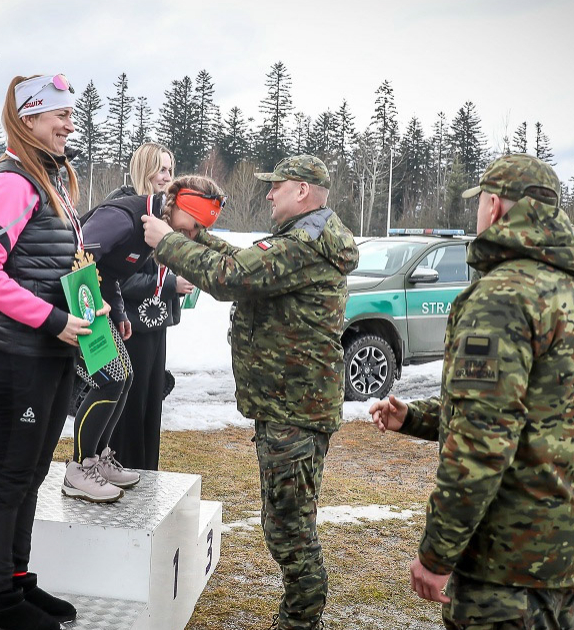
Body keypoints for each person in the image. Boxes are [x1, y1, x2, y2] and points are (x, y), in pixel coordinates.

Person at [369, 154, 574, 630]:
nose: (476, 212)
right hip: (563, 553)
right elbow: (535, 412)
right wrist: (414, 417)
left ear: (494, 206)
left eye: (479, 202)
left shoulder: (501, 296)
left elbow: (482, 443)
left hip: (506, 564)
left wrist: (436, 555)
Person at [143, 155, 358, 630]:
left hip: (294, 411)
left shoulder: (305, 243)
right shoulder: (304, 238)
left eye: (276, 186)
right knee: (285, 521)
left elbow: (232, 278)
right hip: (289, 405)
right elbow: (248, 262)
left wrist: (171, 243)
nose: (267, 193)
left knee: (289, 528)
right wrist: (200, 239)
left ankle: (301, 618)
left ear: (302, 191)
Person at [0, 73, 104, 630]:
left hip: (51, 354)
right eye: (59, 116)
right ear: (29, 120)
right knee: (8, 477)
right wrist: (54, 319)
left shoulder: (47, 177)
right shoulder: (12, 182)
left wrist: (89, 313)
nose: (70, 124)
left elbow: (52, 263)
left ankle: (18, 582)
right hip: (19, 356)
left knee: (34, 474)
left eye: (71, 116)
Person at [76, 168, 222, 479]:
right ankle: (80, 466)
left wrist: (118, 312)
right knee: (111, 378)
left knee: (124, 377)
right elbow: (77, 252)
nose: (193, 235)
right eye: (194, 225)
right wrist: (89, 301)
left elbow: (112, 273)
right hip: (71, 303)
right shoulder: (126, 217)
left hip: (96, 307)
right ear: (178, 208)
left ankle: (100, 458)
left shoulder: (152, 233)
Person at [104, 143, 196, 471]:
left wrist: (177, 277)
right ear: (145, 169)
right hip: (128, 326)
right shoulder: (123, 210)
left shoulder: (162, 215)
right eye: (161, 169)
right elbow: (118, 278)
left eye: (170, 169)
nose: (168, 176)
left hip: (155, 324)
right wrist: (170, 284)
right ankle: (123, 470)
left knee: (149, 408)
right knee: (129, 408)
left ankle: (146, 475)